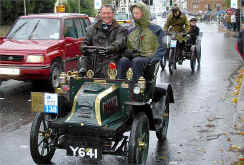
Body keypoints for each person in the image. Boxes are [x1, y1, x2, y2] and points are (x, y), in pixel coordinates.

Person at [117, 2, 167, 82]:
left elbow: (162, 47)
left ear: (144, 14)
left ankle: (136, 88)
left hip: (148, 60)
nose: (135, 16)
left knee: (137, 61)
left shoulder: (157, 30)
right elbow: (125, 46)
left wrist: (153, 60)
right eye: (133, 13)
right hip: (133, 57)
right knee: (122, 60)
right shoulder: (131, 30)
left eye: (137, 13)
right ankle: (120, 87)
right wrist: (126, 52)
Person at [79, 4, 127, 77]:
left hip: (111, 57)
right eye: (104, 13)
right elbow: (85, 42)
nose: (106, 16)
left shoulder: (120, 29)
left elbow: (119, 42)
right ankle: (83, 76)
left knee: (111, 64)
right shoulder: (92, 28)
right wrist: (84, 47)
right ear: (100, 14)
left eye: (108, 13)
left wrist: (110, 48)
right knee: (83, 58)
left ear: (113, 14)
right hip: (94, 58)